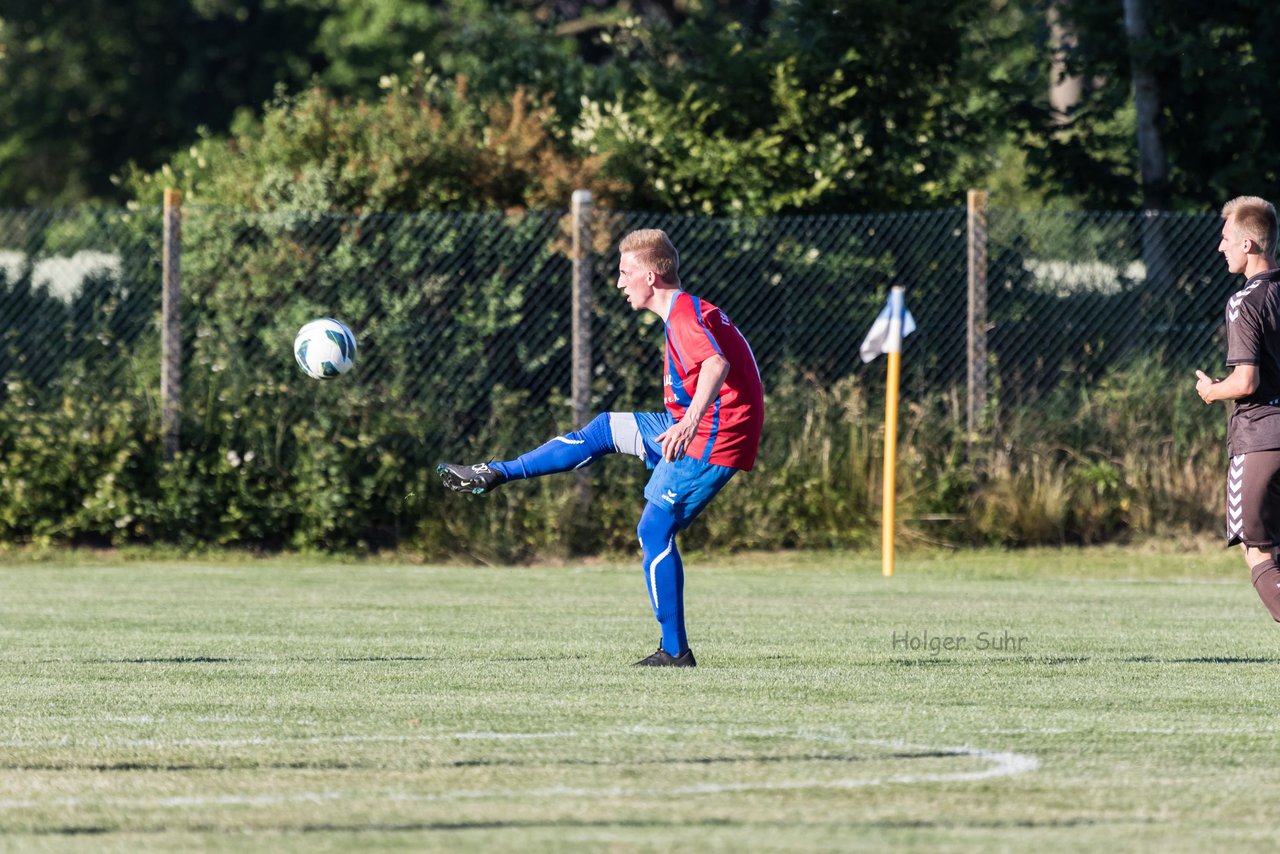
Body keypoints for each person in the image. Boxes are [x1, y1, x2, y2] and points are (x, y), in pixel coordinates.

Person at [436, 228, 764, 667]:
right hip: (693, 423)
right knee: (604, 429)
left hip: (714, 434)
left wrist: (688, 422)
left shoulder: (684, 317)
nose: (618, 282)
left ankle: (674, 652)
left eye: (625, 272)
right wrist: (684, 418)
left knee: (653, 531)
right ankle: (496, 472)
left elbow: (716, 363)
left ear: (650, 277)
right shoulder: (687, 311)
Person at [1195, 195, 1280, 622]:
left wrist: (1211, 391)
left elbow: (1246, 381)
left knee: (1258, 548)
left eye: (1226, 238)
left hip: (1261, 438)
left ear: (1248, 244)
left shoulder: (1245, 302)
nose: (1220, 247)